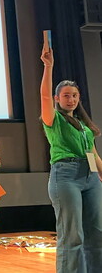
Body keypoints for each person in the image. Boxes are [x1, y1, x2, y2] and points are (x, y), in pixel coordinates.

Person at [39, 40, 102, 272]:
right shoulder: (53, 119)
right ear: (58, 99)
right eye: (66, 95)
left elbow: (93, 154)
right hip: (66, 176)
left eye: (74, 95)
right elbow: (44, 97)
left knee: (96, 233)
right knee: (72, 234)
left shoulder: (84, 127)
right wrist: (48, 67)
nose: (71, 99)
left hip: (91, 178)